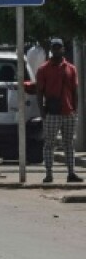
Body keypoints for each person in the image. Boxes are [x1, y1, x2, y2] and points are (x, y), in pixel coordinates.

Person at [37, 38, 80, 184]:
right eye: (54, 48)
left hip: (68, 112)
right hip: (52, 112)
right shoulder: (44, 69)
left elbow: (75, 90)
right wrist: (42, 110)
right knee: (49, 144)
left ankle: (71, 173)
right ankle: (49, 173)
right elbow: (39, 91)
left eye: (59, 47)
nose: (57, 50)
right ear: (51, 49)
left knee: (69, 144)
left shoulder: (71, 68)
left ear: (63, 49)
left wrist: (76, 109)